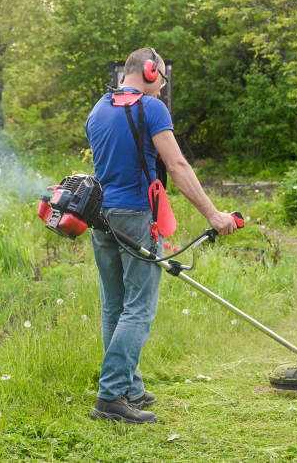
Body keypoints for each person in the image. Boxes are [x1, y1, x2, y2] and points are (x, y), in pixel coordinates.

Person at [85, 47, 236, 424]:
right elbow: (178, 166)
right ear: (152, 73)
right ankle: (110, 398)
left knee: (114, 306)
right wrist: (214, 214)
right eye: (162, 78)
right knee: (138, 308)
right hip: (135, 216)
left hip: (100, 217)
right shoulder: (151, 108)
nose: (162, 86)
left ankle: (129, 387)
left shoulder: (99, 108)